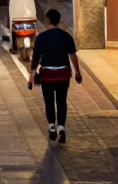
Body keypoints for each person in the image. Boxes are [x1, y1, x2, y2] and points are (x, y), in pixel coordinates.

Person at [28, 8, 82, 143]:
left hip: (47, 75)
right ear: (58, 21)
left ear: (47, 21)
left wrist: (31, 78)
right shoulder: (66, 36)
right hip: (63, 75)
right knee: (61, 101)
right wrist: (78, 73)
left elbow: (35, 60)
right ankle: (61, 128)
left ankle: (52, 126)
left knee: (49, 101)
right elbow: (73, 56)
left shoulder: (41, 38)